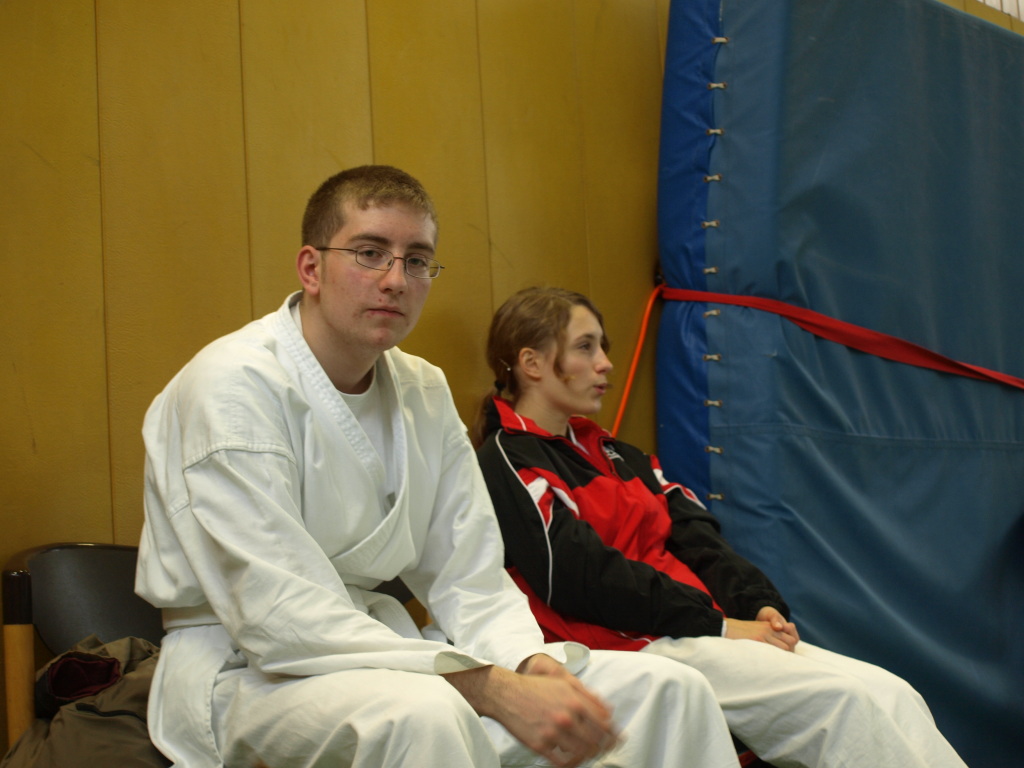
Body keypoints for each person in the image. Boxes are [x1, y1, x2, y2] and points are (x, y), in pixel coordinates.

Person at [135, 166, 744, 768]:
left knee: (667, 689)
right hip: (247, 669)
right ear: (311, 268)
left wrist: (532, 666)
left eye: (418, 260)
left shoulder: (422, 388)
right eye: (370, 253)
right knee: (427, 716)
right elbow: (277, 612)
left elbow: (468, 575)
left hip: (382, 655)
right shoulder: (232, 386)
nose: (396, 280)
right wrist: (492, 689)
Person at [472, 286, 970, 768]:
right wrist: (721, 626)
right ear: (531, 363)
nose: (605, 363)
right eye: (586, 347)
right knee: (840, 703)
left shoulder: (616, 453)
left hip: (697, 628)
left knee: (892, 692)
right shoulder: (507, 457)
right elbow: (576, 576)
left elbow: (699, 540)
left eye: (603, 346)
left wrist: (756, 604)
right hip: (632, 641)